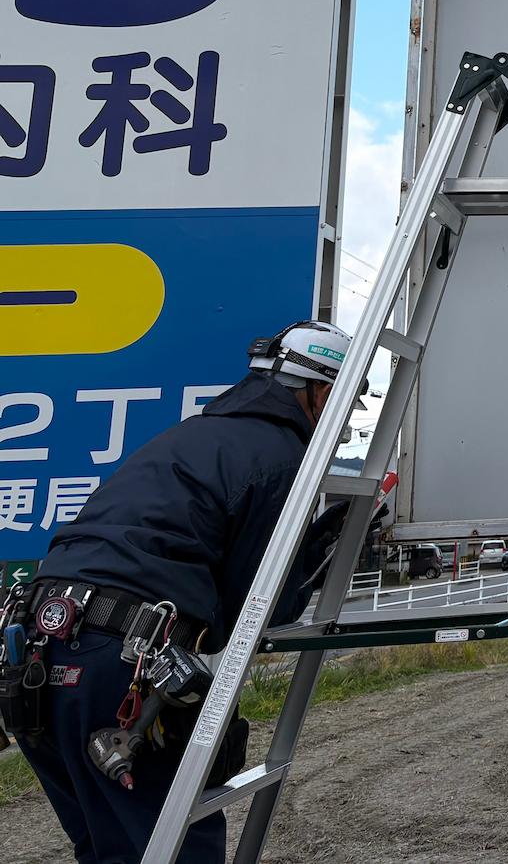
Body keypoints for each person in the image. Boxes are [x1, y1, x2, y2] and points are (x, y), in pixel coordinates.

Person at [0, 320, 363, 864]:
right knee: (173, 848)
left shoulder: (192, 436)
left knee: (109, 849)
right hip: (120, 663)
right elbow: (255, 607)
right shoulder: (282, 459)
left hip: (33, 654)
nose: (346, 420)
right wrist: (321, 550)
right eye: (347, 402)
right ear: (321, 391)